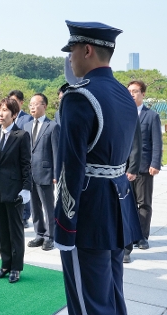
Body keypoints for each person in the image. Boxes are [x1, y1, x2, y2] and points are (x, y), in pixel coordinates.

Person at [54, 20, 143, 314]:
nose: (70, 57)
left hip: (88, 213)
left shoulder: (79, 97)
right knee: (113, 294)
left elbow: (72, 167)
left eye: (73, 50)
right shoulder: (124, 96)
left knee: (88, 301)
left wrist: (65, 227)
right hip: (117, 205)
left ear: (87, 50)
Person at [0, 97, 31, 283]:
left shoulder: (21, 136)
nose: (1, 114)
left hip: (14, 190)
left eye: (5, 110)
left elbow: (26, 165)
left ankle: (16, 267)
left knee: (15, 230)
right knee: (2, 229)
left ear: (14, 114)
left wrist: (26, 189)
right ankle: (5, 264)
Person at [124, 80, 162, 261]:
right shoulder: (123, 114)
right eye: (129, 91)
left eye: (135, 91)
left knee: (144, 203)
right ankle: (130, 235)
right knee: (127, 204)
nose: (131, 94)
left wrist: (155, 163)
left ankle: (142, 236)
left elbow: (156, 143)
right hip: (124, 167)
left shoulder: (151, 116)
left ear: (143, 94)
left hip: (144, 167)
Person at [24, 93, 59, 251]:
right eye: (30, 104)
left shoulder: (52, 126)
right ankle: (39, 233)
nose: (32, 107)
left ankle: (50, 236)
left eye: (35, 104)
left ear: (44, 106)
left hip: (45, 173)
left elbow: (56, 152)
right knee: (34, 206)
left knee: (48, 206)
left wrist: (55, 174)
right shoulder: (26, 126)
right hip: (29, 173)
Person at [8, 90, 32, 228]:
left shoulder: (27, 119)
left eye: (15, 101)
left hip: (22, 159)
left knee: (24, 188)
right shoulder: (7, 116)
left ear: (21, 102)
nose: (12, 103)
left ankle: (25, 216)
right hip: (10, 160)